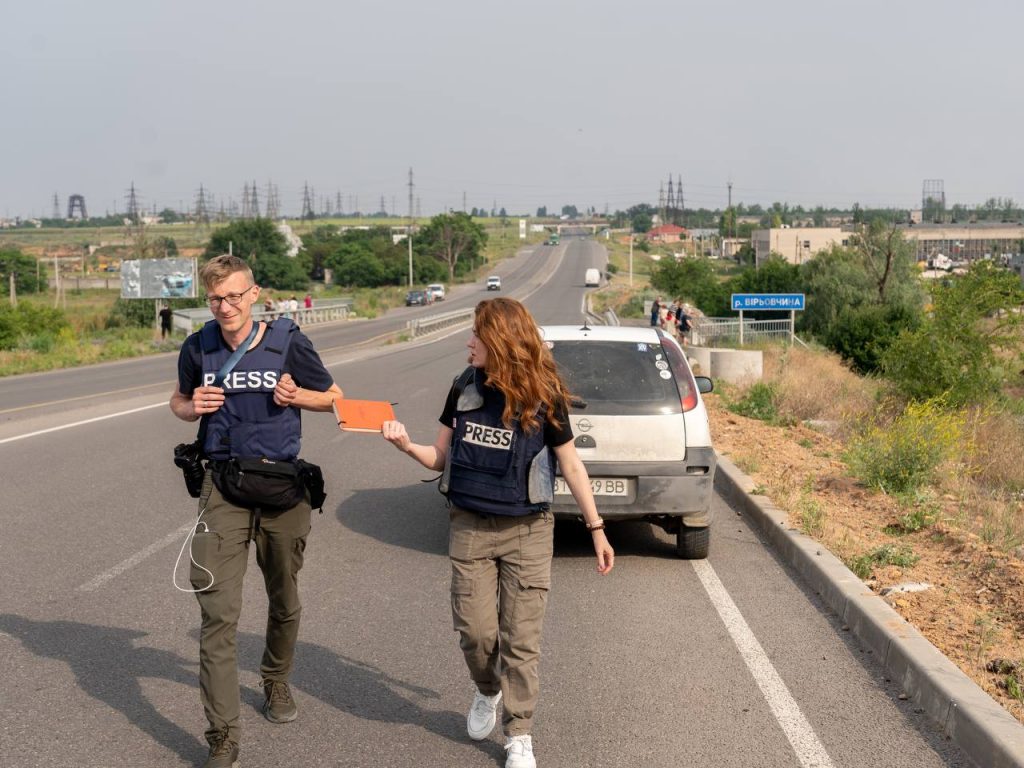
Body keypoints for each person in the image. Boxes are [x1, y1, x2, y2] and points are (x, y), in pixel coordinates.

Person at [381, 297, 614, 768]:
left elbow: (570, 463)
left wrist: (597, 528)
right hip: (469, 526)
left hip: (528, 530)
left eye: (476, 335)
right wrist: (405, 445)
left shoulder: (544, 393)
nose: (468, 343)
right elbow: (439, 459)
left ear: (501, 341)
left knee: (521, 639)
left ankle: (519, 733)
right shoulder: (463, 387)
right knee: (475, 633)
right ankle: (487, 690)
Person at [169, 255, 342, 768]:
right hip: (222, 486)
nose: (225, 307)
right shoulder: (197, 345)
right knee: (217, 615)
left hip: (283, 487)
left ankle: (275, 680)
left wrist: (299, 395)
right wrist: (191, 406)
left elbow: (334, 397)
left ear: (255, 294)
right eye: (216, 298)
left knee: (284, 599)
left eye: (235, 296)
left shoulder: (287, 340)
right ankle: (222, 734)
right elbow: (177, 400)